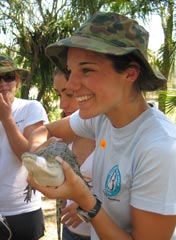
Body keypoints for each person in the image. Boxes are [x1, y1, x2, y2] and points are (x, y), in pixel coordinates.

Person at [28, 12, 176, 240]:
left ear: (130, 73)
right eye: (71, 71)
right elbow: (45, 130)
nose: (71, 84)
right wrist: (41, 154)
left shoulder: (160, 148)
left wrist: (84, 198)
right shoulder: (102, 117)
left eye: (87, 70)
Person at [0, 55, 48, 240]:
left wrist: (6, 118)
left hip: (23, 211)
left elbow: (29, 157)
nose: (3, 83)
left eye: (9, 76)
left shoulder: (31, 108)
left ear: (17, 81)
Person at [53, 67, 95, 240]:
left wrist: (86, 204)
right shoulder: (64, 136)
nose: (62, 104)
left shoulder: (111, 132)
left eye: (69, 94)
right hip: (70, 232)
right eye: (58, 95)